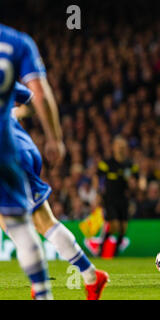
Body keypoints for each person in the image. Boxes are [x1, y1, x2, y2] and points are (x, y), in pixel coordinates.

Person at [0, 82, 109, 300]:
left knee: (31, 224)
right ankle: (89, 277)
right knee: (29, 221)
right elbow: (30, 102)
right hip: (24, 148)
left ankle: (47, 282)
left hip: (8, 156)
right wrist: (10, 112)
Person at [0, 23, 66, 300]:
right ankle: (43, 294)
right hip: (5, 149)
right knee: (19, 223)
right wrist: (54, 137)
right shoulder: (17, 42)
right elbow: (37, 91)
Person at [94, 135, 139, 257]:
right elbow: (97, 177)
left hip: (124, 199)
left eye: (123, 146)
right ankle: (101, 248)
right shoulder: (106, 163)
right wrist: (97, 194)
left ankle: (115, 251)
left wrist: (133, 183)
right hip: (109, 199)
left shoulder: (130, 165)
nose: (120, 149)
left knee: (123, 229)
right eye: (118, 146)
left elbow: (136, 183)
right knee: (114, 225)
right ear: (113, 147)